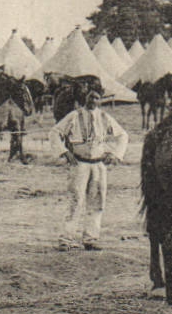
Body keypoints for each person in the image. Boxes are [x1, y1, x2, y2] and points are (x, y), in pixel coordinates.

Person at [52, 88, 129, 252]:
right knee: (76, 200)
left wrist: (116, 154)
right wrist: (64, 152)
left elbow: (123, 135)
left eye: (96, 98)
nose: (93, 101)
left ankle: (91, 238)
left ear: (100, 100)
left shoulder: (104, 117)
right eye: (90, 97)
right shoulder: (74, 116)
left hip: (99, 165)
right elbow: (55, 132)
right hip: (79, 165)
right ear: (84, 98)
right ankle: (66, 238)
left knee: (97, 201)